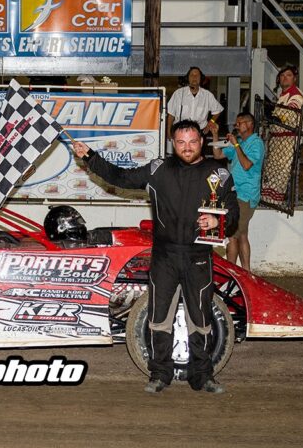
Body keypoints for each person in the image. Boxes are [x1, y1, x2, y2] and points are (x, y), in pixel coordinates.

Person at [73, 119, 238, 394]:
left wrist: (218, 221)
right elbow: (120, 177)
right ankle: (160, 374)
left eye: (193, 142)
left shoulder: (218, 172)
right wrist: (90, 157)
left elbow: (233, 213)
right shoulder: (158, 169)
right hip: (164, 257)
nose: (187, 147)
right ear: (174, 143)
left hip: (199, 256)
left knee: (201, 318)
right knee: (159, 318)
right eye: (182, 142)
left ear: (202, 142)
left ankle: (203, 375)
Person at [210, 112, 265, 272]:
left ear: (249, 124)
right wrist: (215, 135)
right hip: (236, 194)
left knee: (232, 235)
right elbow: (218, 154)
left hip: (246, 195)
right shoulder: (240, 142)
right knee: (241, 235)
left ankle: (231, 274)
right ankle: (246, 273)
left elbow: (247, 164)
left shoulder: (256, 143)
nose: (236, 126)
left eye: (239, 123)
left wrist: (235, 145)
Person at [261, 65, 303, 207]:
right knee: (272, 171)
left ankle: (274, 203)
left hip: (287, 139)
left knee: (280, 173)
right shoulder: (283, 95)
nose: (285, 77)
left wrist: (273, 115)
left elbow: (289, 115)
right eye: (282, 75)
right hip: (277, 139)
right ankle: (268, 201)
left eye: (289, 75)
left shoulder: (296, 95)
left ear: (294, 78)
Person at [166, 67, 223, 142]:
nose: (194, 77)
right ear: (188, 78)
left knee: (198, 153)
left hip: (199, 133)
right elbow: (171, 114)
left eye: (197, 75)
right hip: (180, 132)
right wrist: (168, 131)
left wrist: (211, 122)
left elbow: (218, 110)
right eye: (192, 75)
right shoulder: (178, 93)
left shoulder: (207, 95)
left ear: (201, 79)